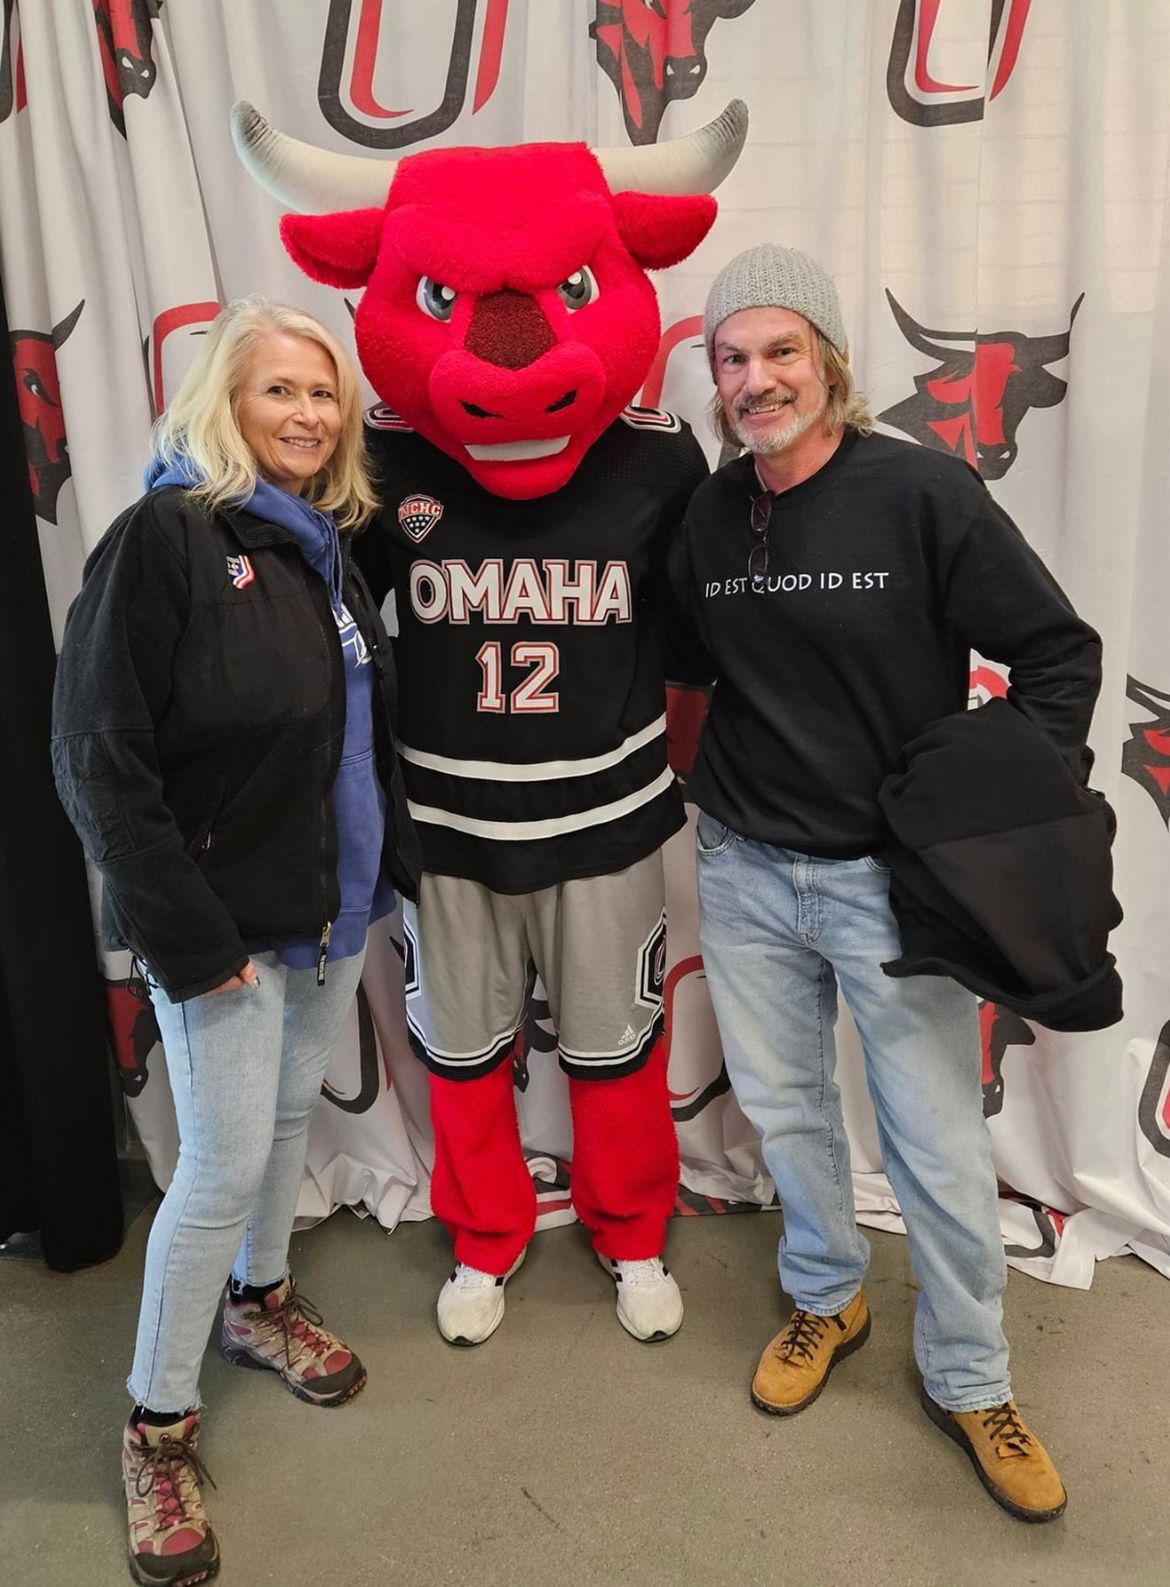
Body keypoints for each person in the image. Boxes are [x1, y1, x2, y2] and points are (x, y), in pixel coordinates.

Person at [230, 104, 749, 1348]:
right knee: (462, 1061)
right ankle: (487, 1236)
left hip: (609, 821)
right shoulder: (382, 461)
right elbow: (324, 632)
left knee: (620, 1054)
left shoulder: (657, 459)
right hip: (449, 825)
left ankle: (630, 1231)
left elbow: (698, 640)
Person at [668, 245, 1103, 1522]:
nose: (757, 380)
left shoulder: (924, 493)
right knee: (787, 1112)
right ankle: (826, 1296)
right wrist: (714, 802)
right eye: (733, 358)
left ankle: (971, 1376)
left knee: (936, 1146)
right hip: (746, 869)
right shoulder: (708, 513)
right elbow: (695, 677)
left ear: (832, 360)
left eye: (781, 350)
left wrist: (992, 812)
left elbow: (1057, 655)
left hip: (889, 886)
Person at [52, 297, 420, 1586]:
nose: (308, 414)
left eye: (324, 394)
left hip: (327, 911)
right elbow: (97, 761)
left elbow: (346, 734)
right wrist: (192, 941)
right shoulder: (166, 536)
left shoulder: (324, 544)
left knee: (277, 1129)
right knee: (212, 1165)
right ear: (225, 401)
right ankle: (156, 1427)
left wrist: (379, 882)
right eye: (279, 391)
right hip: (219, 928)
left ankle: (258, 1304)